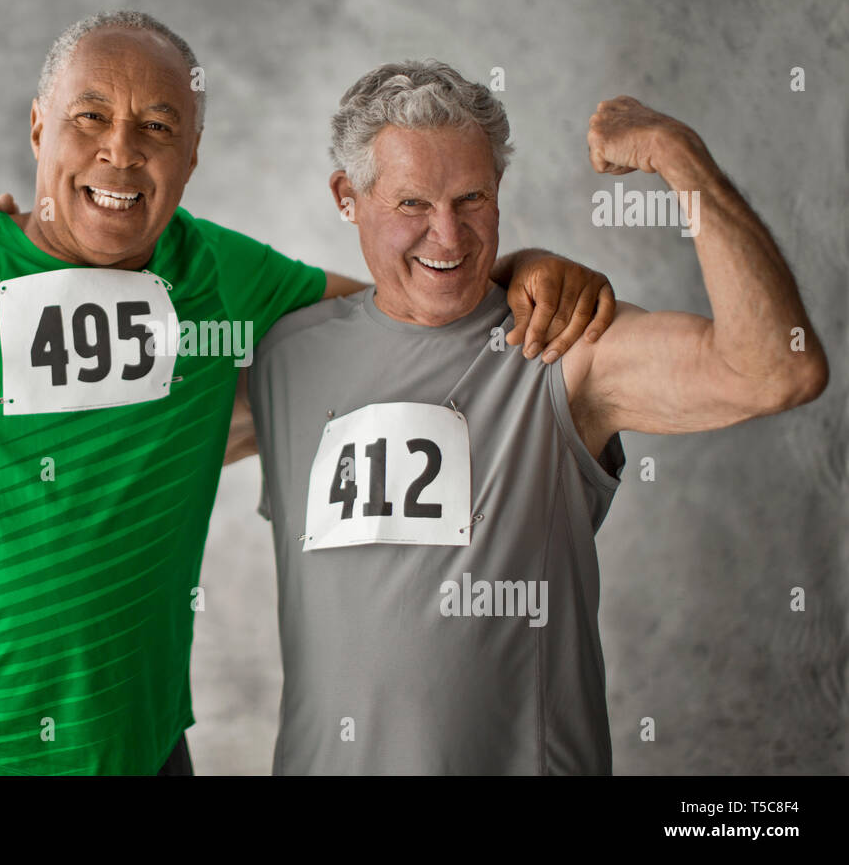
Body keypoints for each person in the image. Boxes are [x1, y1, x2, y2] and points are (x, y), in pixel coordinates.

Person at [0, 13, 612, 775]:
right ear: (37, 128)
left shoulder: (217, 273)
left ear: (190, 158)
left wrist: (518, 264)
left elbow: (410, 315)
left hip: (145, 757)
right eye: (90, 117)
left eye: (158, 127)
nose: (121, 151)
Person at [240, 60, 827, 773]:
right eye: (413, 205)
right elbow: (118, 436)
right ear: (347, 196)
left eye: (472, 198)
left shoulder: (563, 347)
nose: (449, 238)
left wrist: (679, 156)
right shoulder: (286, 356)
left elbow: (778, 369)